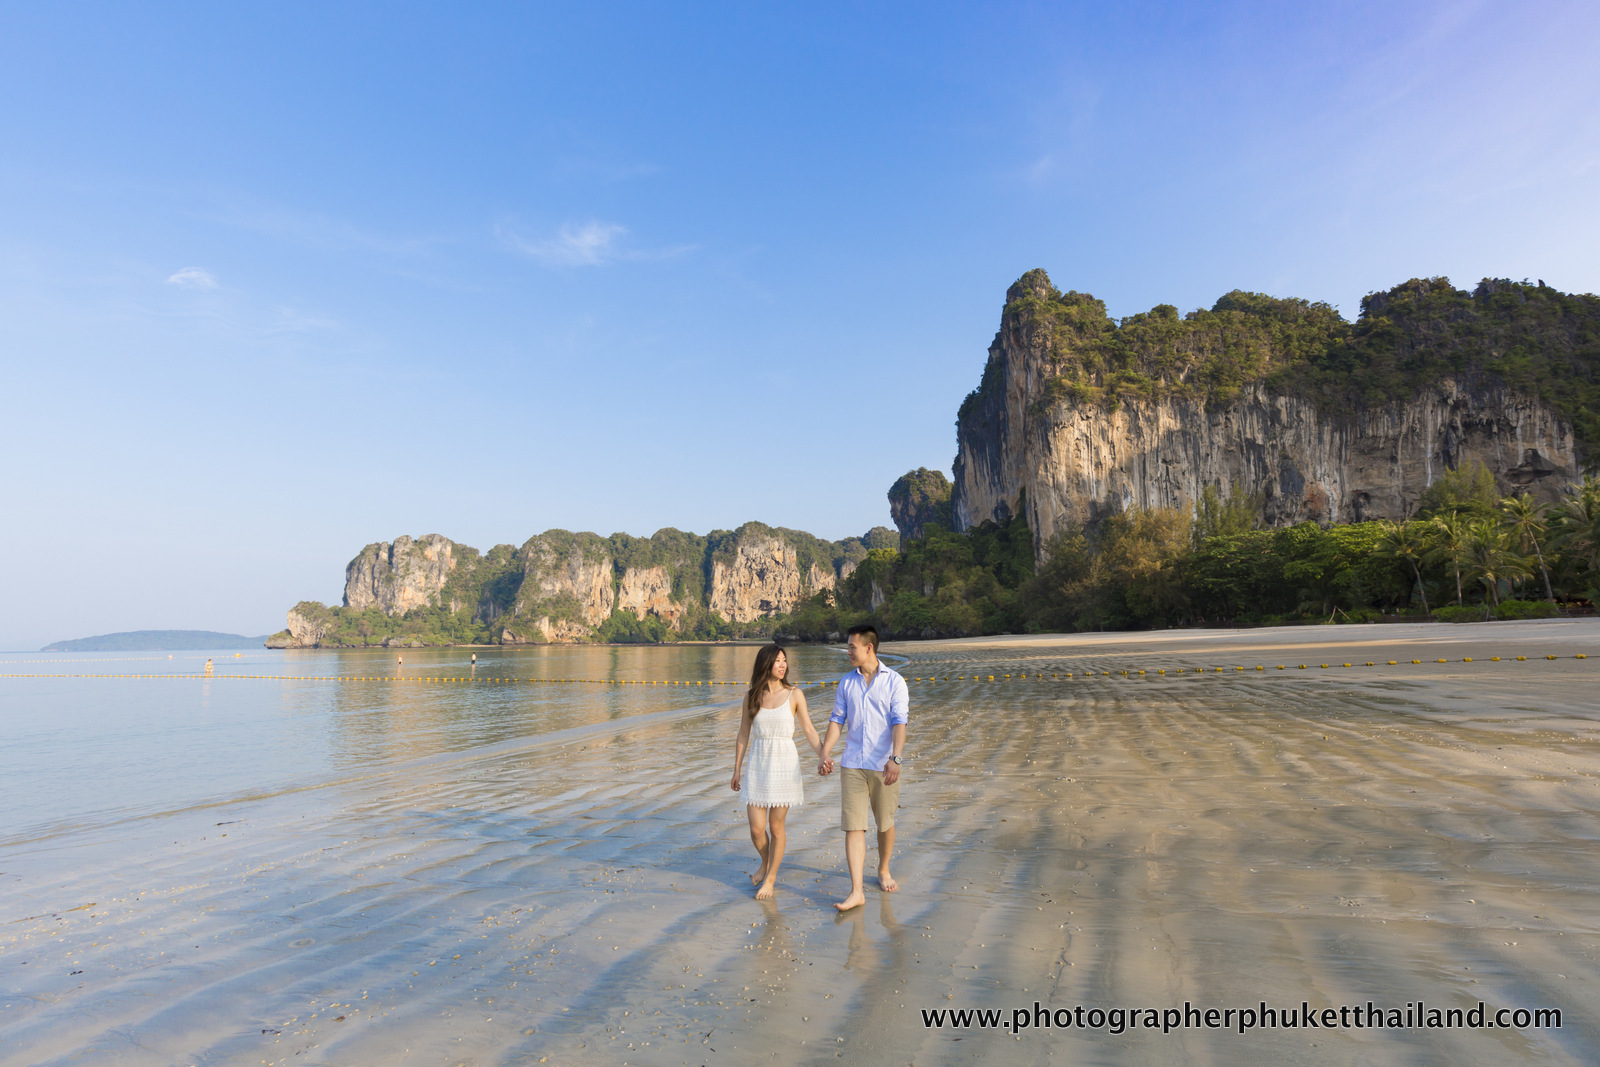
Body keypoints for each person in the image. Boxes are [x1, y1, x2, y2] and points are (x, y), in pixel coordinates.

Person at [817, 624, 907, 911]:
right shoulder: (847, 683)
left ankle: (883, 868)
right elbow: (837, 720)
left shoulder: (895, 682)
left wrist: (896, 759)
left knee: (885, 822)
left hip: (884, 764)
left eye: (851, 647)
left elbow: (899, 722)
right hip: (853, 764)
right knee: (853, 827)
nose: (848, 652)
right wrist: (824, 752)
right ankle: (856, 891)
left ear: (868, 648)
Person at [730, 644, 829, 900]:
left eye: (784, 660)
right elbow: (743, 734)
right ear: (765, 664)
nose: (782, 665)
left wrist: (823, 755)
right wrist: (736, 769)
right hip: (758, 764)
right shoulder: (752, 696)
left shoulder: (795, 694)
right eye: (777, 661)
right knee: (756, 829)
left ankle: (771, 878)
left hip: (784, 765)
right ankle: (766, 862)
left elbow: (809, 730)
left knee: (776, 828)